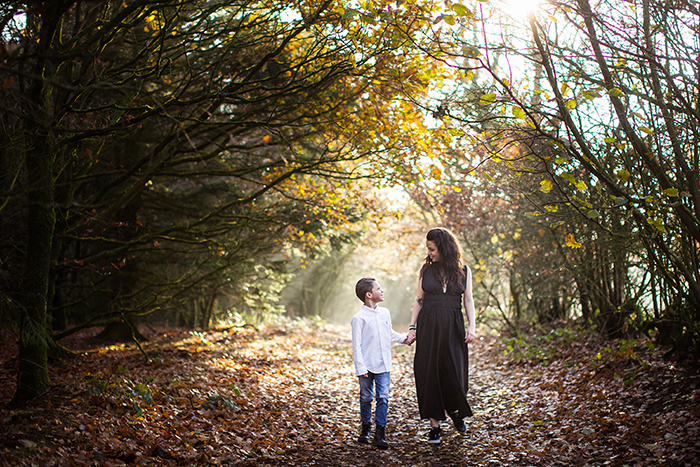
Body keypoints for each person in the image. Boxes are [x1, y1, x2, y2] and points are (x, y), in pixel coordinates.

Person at [405, 228, 476, 444]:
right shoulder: (425, 270)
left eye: (432, 248)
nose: (429, 252)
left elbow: (468, 300)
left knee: (455, 373)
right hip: (429, 325)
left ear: (444, 248)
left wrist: (472, 326)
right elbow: (419, 299)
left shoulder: (464, 270)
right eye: (428, 248)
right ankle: (434, 426)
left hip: (454, 326)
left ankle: (455, 411)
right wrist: (412, 327)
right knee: (428, 372)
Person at [351, 277, 409, 449]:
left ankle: (380, 433)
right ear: (369, 294)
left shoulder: (384, 313)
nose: (382, 291)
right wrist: (360, 367)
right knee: (366, 398)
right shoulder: (358, 318)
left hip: (383, 364)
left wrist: (404, 339)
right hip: (366, 366)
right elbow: (356, 345)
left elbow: (389, 332)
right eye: (379, 288)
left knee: (383, 398)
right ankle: (365, 429)